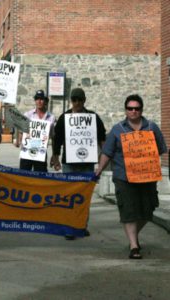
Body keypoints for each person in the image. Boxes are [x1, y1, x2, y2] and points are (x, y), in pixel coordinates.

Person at [95, 94, 167, 259]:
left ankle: (132, 235)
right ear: (125, 110)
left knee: (148, 210)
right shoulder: (117, 129)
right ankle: (134, 245)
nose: (133, 111)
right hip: (124, 178)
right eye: (130, 108)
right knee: (128, 210)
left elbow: (161, 149)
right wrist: (99, 169)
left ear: (141, 110)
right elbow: (107, 152)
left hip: (147, 177)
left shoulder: (151, 128)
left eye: (137, 108)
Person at [51, 87, 106, 240]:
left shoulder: (93, 117)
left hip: (87, 163)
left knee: (84, 196)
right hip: (69, 162)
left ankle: (81, 226)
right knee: (68, 195)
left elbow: (102, 138)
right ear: (71, 101)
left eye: (79, 100)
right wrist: (55, 156)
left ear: (84, 101)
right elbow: (58, 139)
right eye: (74, 100)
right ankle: (69, 228)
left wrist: (104, 157)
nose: (77, 103)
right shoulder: (64, 117)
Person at [16, 90, 56, 171]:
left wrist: (54, 155)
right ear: (35, 101)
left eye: (41, 99)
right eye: (37, 99)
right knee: (23, 177)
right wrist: (18, 140)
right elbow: (20, 131)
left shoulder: (51, 118)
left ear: (46, 101)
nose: (39, 101)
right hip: (26, 152)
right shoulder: (28, 115)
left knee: (41, 179)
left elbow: (54, 137)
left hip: (41, 153)